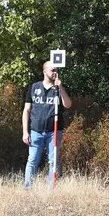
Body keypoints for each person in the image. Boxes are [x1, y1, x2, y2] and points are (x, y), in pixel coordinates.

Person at [22, 61, 73, 189]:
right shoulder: (34, 87)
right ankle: (28, 189)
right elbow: (26, 110)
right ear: (45, 71)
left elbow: (68, 104)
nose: (54, 73)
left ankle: (52, 189)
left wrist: (60, 87)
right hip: (36, 131)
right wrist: (25, 131)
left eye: (56, 70)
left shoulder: (57, 89)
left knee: (53, 161)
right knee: (32, 161)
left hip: (54, 132)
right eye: (52, 70)